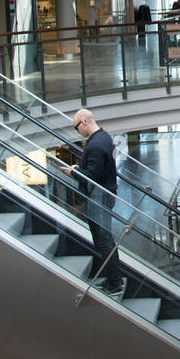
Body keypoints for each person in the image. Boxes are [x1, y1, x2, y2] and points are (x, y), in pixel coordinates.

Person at [62, 109, 124, 297]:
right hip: (105, 193)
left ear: (83, 122)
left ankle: (115, 282)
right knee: (104, 239)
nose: (77, 131)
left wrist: (74, 172)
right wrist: (80, 168)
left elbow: (94, 176)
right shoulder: (104, 137)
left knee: (103, 240)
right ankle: (113, 279)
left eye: (76, 127)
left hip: (100, 196)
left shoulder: (96, 144)